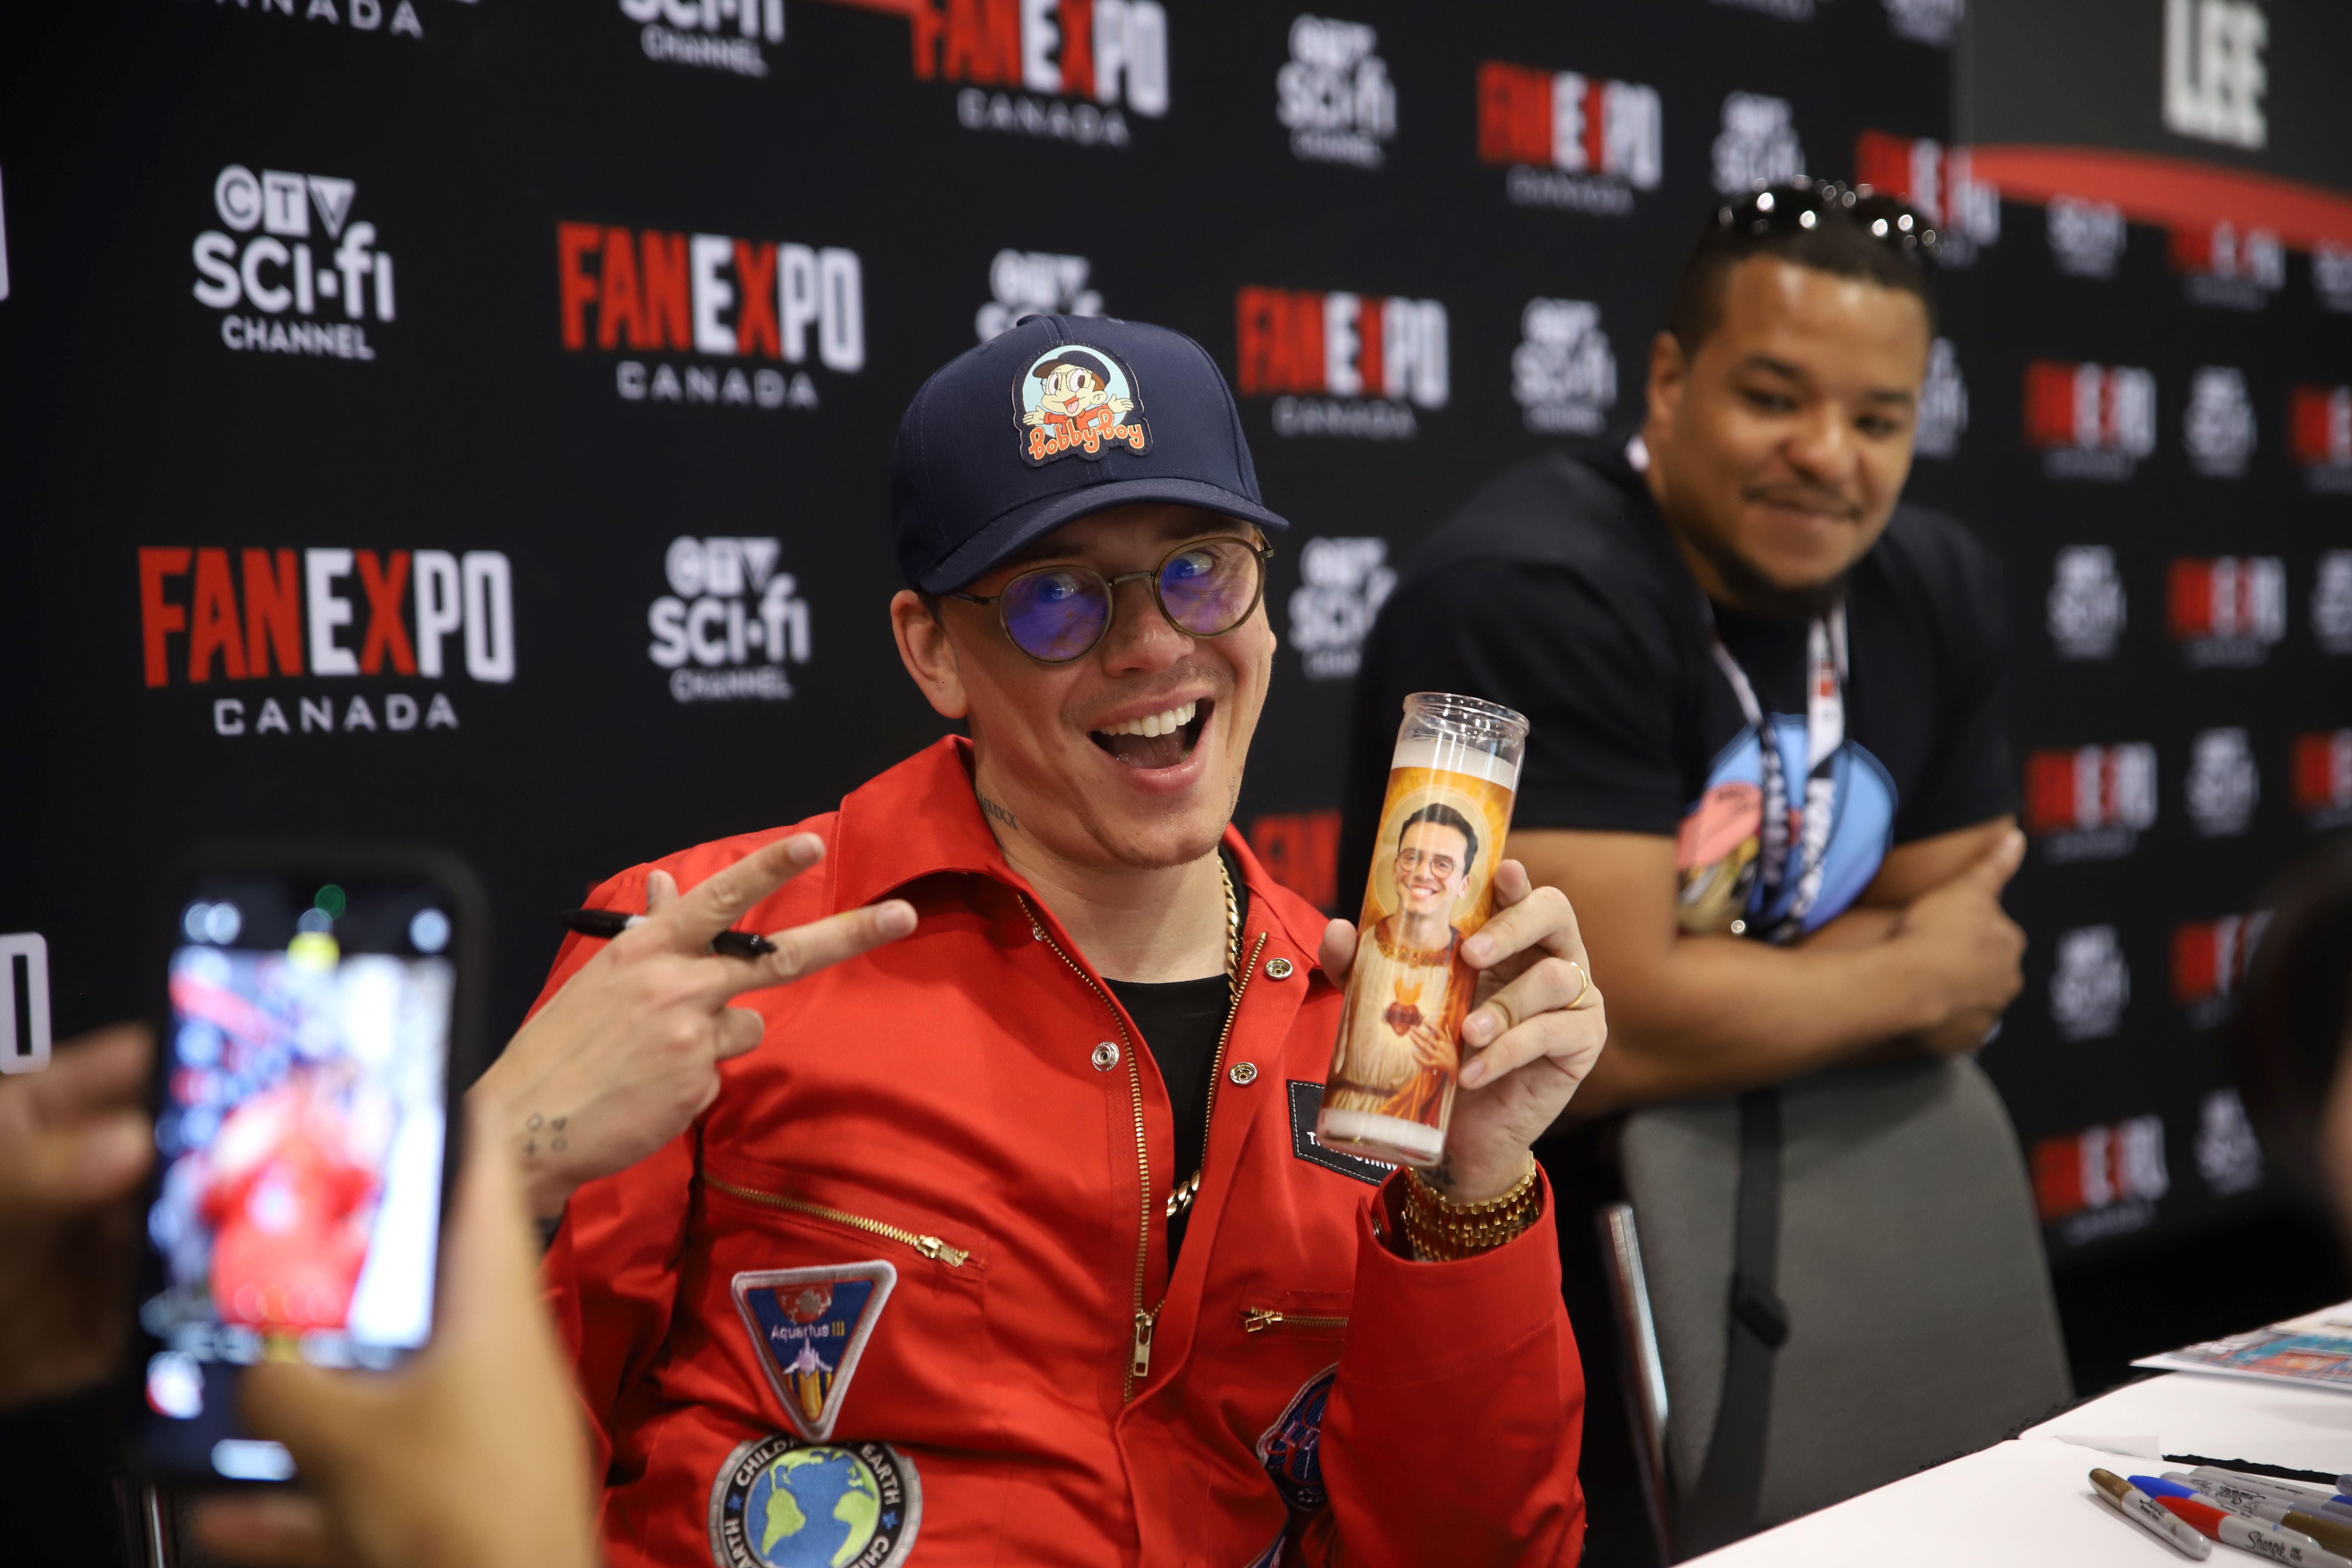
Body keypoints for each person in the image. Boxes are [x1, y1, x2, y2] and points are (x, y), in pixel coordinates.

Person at [491, 314, 1610, 1567]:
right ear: (933, 651)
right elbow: (460, 1493)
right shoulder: (703, 956)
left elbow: (1478, 1553)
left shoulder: (1380, 1039)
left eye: (1201, 569)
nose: (1151, 644)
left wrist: (1473, 1193)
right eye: (1053, 598)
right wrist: (485, 1167)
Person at [1346, 180, 2025, 1116]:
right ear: (1669, 383)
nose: (1828, 455)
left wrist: (1708, 986)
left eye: (1876, 421)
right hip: (1537, 1211)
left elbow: (1971, 929)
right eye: (1774, 398)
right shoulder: (1534, 590)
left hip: (1852, 1171)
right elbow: (1598, 1032)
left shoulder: (1941, 586)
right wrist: (1912, 980)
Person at [1325, 806, 1483, 1123]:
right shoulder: (1369, 943)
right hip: (1347, 1110)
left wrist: (1453, 1065)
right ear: (1396, 867)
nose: (1423, 873)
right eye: (1412, 857)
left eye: (1442, 864)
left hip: (1420, 1123)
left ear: (1464, 884)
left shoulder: (1466, 962)